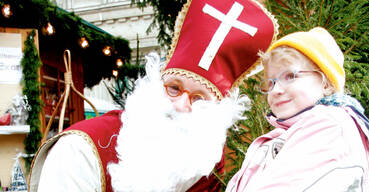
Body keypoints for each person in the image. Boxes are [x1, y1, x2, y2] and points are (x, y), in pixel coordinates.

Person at [28, 0, 278, 191]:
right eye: (173, 88)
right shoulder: (79, 150)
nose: (180, 106)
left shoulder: (205, 156)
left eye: (199, 99)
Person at [226, 27, 369, 192]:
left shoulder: (330, 126)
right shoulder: (293, 132)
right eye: (271, 82)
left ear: (326, 82)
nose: (276, 90)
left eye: (290, 76)